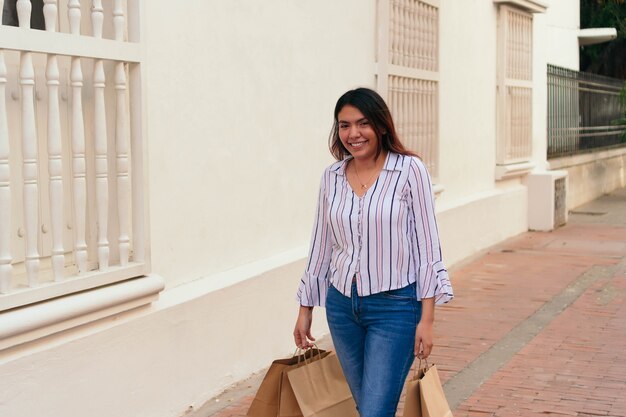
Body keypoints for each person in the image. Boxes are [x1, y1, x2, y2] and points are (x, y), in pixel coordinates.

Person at [293, 87, 453, 417]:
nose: (354, 133)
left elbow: (427, 248)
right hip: (341, 308)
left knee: (375, 410)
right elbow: (321, 245)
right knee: (366, 405)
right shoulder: (332, 177)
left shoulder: (409, 171)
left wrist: (427, 319)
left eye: (362, 123)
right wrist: (305, 307)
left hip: (395, 308)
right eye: (344, 125)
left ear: (380, 126)